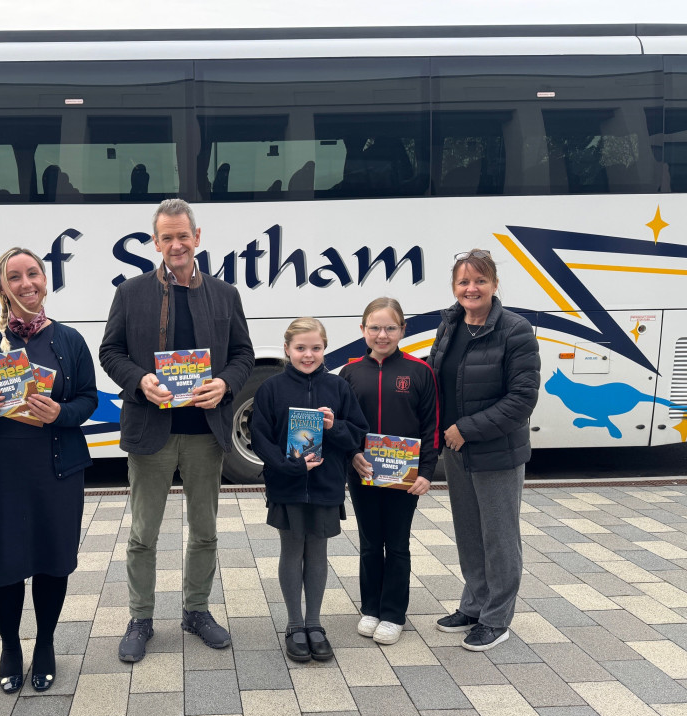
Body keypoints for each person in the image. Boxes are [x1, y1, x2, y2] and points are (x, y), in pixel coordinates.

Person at [99, 198, 254, 662]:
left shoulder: (225, 294)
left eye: (183, 235)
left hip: (206, 432)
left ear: (197, 237)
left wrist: (226, 384)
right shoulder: (131, 293)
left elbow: (243, 355)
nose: (176, 244)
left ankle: (196, 611)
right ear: (156, 242)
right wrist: (138, 380)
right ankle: (140, 618)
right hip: (152, 431)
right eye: (167, 237)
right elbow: (110, 352)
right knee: (143, 534)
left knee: (204, 531)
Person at [0, 247, 97, 693]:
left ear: (45, 279)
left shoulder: (69, 340)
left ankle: (46, 643)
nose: (26, 283)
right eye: (14, 276)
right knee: (4, 563)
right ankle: (10, 646)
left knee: (52, 562)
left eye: (33, 273)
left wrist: (61, 412)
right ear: (2, 286)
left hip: (55, 473)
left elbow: (89, 399)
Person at [428, 249, 540, 651]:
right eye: (464, 281)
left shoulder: (515, 330)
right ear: (454, 287)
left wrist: (466, 429)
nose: (471, 288)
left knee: (500, 536)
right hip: (456, 449)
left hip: (496, 452)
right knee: (469, 532)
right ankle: (474, 604)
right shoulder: (450, 325)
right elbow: (435, 379)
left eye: (480, 280)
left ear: (494, 284)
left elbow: (522, 398)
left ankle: (496, 619)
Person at [250, 318, 367, 662]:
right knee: (291, 550)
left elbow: (357, 434)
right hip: (287, 484)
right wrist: (289, 466)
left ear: (325, 349)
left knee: (317, 552)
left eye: (316, 348)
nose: (308, 355)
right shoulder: (271, 388)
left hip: (325, 484)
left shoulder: (338, 387)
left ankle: (314, 623)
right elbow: (260, 437)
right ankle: (294, 624)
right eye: (300, 348)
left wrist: (333, 426)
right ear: (287, 349)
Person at [340, 298, 439, 645]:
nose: (382, 335)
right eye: (375, 328)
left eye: (390, 328)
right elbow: (343, 424)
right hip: (363, 472)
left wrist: (427, 471)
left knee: (397, 544)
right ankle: (370, 608)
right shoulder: (350, 372)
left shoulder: (419, 371)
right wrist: (352, 455)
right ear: (363, 330)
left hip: (404, 476)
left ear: (403, 330)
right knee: (370, 543)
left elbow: (431, 426)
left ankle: (394, 613)